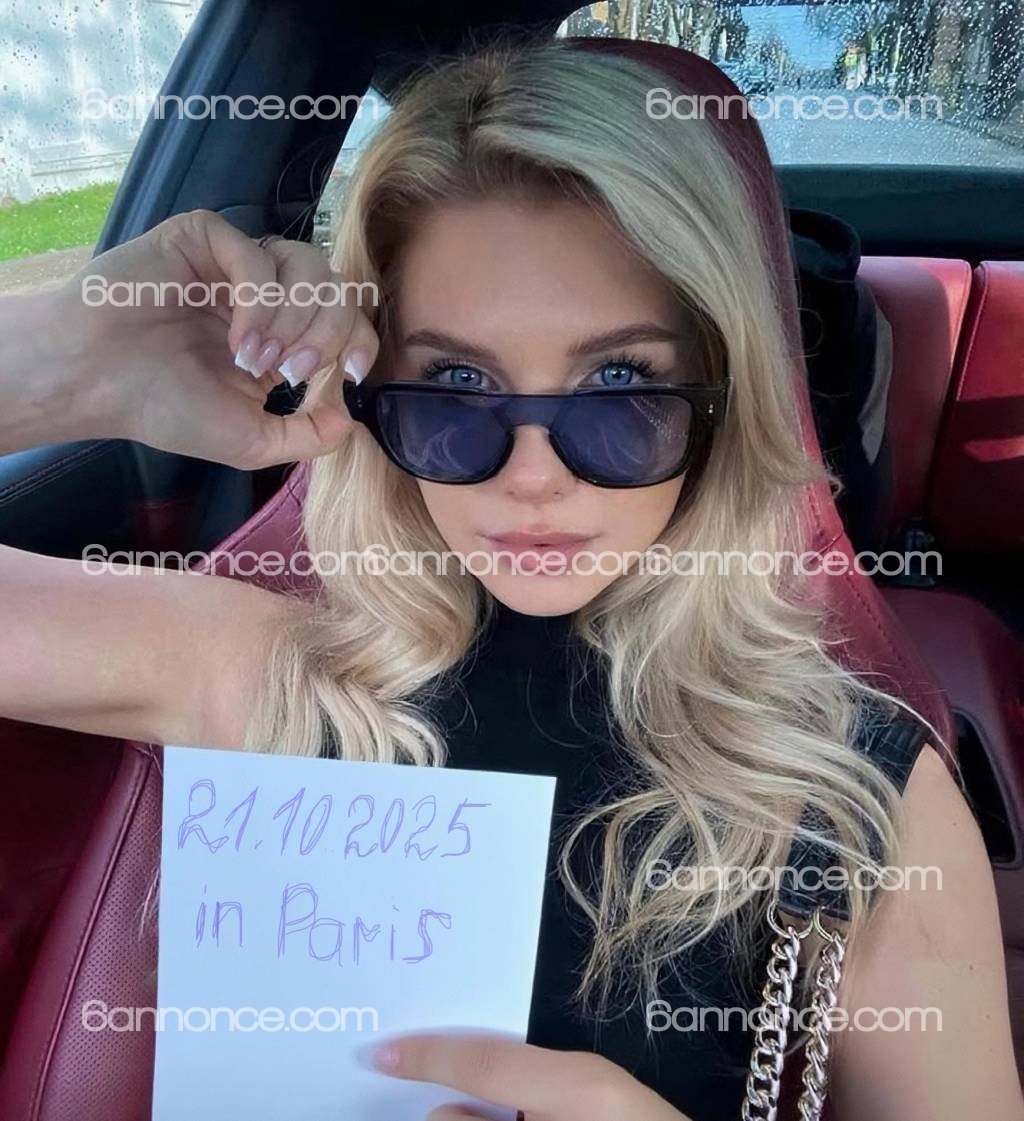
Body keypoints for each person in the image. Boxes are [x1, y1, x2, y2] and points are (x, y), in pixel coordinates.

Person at [1, 35, 1022, 1121]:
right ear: (368, 388)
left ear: (721, 399)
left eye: (619, 381)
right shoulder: (264, 665)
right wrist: (62, 365)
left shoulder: (857, 793)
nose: (531, 475)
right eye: (454, 381)